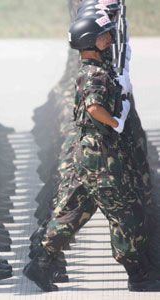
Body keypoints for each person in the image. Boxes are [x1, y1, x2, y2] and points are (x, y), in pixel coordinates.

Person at [23, 13, 160, 292]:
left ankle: (41, 264)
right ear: (89, 41)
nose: (108, 38)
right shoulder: (95, 74)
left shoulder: (94, 68)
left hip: (91, 154)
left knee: (73, 212)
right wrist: (115, 121)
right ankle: (137, 274)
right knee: (124, 214)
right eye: (103, 35)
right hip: (101, 157)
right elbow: (94, 107)